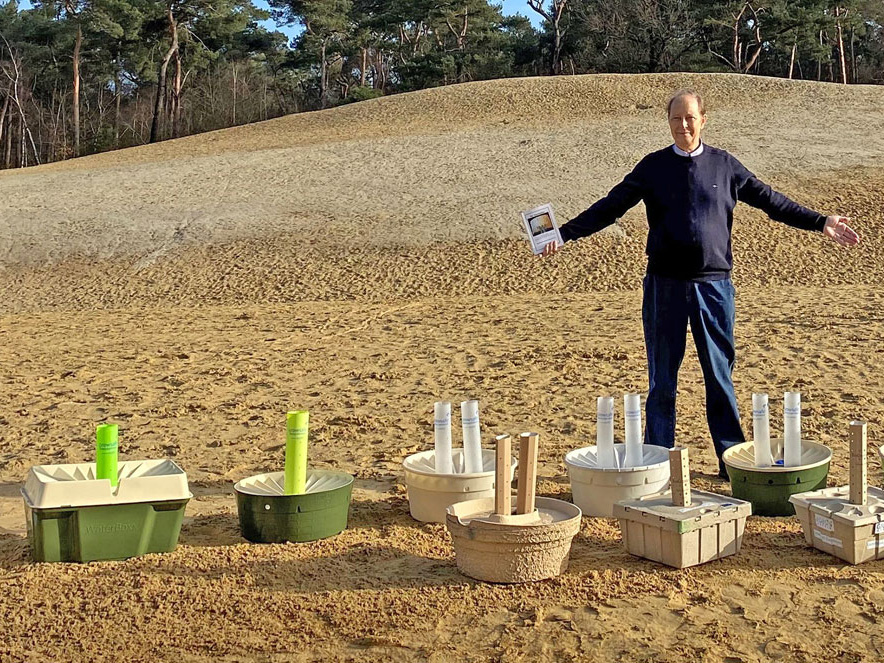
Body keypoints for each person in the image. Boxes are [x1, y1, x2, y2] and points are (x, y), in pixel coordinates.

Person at [542, 88, 860, 478]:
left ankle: (731, 463)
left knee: (719, 376)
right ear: (668, 122)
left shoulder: (725, 166)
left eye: (690, 118)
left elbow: (772, 201)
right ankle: (656, 463)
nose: (683, 125)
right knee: (662, 379)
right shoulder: (653, 167)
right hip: (664, 287)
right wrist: (564, 233)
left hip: (714, 287)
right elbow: (610, 206)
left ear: (703, 120)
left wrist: (821, 221)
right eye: (676, 119)